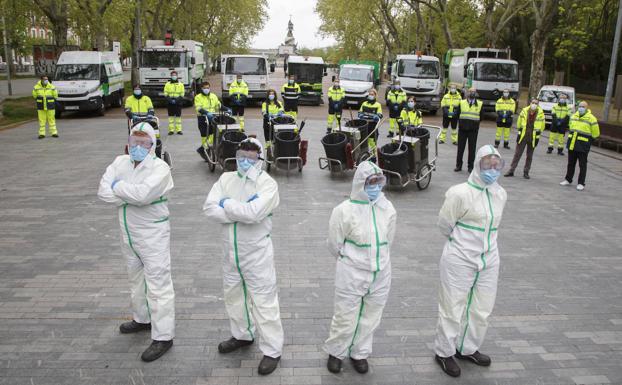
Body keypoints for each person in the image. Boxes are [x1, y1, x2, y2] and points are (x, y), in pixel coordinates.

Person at [203, 138, 284, 376]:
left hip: (256, 253)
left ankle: (272, 350)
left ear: (259, 159)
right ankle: (242, 334)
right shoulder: (226, 178)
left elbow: (254, 213)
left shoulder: (267, 184)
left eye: (250, 157)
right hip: (230, 252)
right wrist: (240, 210)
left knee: (264, 302)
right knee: (234, 297)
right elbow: (209, 208)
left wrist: (226, 203)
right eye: (241, 156)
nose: (245, 161)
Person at [97, 122, 175, 362]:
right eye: (134, 142)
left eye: (144, 142)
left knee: (158, 284)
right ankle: (142, 319)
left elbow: (143, 196)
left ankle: (163, 336)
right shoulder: (120, 162)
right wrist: (128, 193)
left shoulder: (160, 168)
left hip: (152, 234)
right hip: (128, 232)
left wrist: (118, 187)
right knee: (135, 279)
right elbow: (102, 192)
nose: (138, 147)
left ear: (152, 145)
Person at [434, 145, 507, 378]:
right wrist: (462, 244)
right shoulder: (459, 192)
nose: (492, 169)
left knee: (481, 308)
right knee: (452, 306)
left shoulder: (500, 194)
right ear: (477, 164)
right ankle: (444, 352)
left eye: (496, 165)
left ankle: (467, 347)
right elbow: (445, 225)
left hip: (489, 258)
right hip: (460, 258)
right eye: (487, 164)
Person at [324, 161, 397, 374]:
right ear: (360, 183)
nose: (375, 186)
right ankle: (336, 351)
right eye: (370, 182)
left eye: (378, 181)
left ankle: (360, 353)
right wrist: (352, 259)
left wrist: (378, 260)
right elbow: (334, 244)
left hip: (381, 271)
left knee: (371, 315)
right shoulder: (344, 211)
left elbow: (389, 240)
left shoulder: (388, 208)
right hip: (352, 271)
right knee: (345, 314)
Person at [560, 101, 600, 191]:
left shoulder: (591, 118)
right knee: (571, 164)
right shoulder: (574, 116)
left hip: (583, 146)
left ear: (587, 108)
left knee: (582, 165)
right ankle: (568, 179)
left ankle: (581, 183)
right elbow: (571, 127)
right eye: (580, 106)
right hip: (572, 144)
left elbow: (596, 133)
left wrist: (588, 142)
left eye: (583, 107)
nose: (581, 108)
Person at [504, 99, 544, 179]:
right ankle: (511, 170)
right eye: (533, 102)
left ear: (538, 105)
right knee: (517, 154)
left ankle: (526, 172)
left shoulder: (541, 114)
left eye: (536, 103)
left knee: (529, 156)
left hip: (533, 136)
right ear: (530, 103)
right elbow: (519, 122)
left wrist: (537, 135)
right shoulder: (524, 110)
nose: (534, 104)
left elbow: (542, 126)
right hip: (523, 135)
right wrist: (520, 131)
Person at [455, 88, 482, 173]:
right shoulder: (462, 103)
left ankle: (470, 167)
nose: (472, 93)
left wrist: (475, 124)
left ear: (476, 93)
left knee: (472, 149)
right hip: (462, 129)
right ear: (467, 93)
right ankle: (458, 166)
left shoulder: (480, 104)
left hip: (473, 130)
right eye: (470, 91)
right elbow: (457, 114)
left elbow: (481, 116)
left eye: (474, 92)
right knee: (460, 148)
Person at [194, 81, 222, 159]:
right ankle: (205, 151)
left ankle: (203, 149)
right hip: (203, 118)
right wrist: (206, 113)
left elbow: (218, 105)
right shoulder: (198, 97)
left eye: (208, 88)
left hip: (212, 118)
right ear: (201, 89)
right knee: (204, 136)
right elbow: (198, 108)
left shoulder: (213, 96)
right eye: (204, 88)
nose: (206, 89)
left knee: (212, 135)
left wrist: (227, 109)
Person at [163, 71, 184, 135]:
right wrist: (170, 100)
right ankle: (171, 130)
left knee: (178, 117)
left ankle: (179, 130)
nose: (174, 76)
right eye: (172, 75)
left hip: (178, 102)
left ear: (177, 76)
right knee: (171, 117)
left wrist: (176, 100)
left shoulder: (181, 84)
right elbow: (165, 94)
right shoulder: (167, 84)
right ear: (171, 76)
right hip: (170, 103)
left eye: (175, 75)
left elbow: (182, 94)